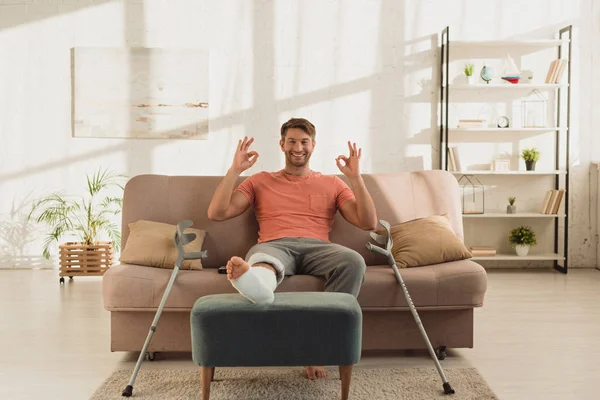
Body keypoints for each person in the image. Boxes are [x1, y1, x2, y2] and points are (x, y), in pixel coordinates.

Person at [207, 117, 378, 380]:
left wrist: (355, 178)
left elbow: (368, 222)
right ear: (282, 145)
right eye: (292, 141)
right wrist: (234, 170)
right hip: (275, 245)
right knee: (264, 261)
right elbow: (217, 213)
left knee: (353, 261)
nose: (298, 147)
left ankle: (316, 349)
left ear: (313, 145)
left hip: (319, 248)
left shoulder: (333, 183)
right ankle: (255, 282)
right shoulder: (259, 181)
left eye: (304, 142)